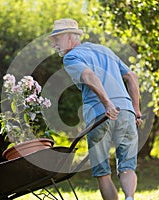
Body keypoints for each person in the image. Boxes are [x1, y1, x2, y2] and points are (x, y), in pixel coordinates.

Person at [48, 18, 143, 200]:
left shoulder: (71, 56)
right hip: (126, 112)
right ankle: (129, 197)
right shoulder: (104, 50)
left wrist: (107, 104)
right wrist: (135, 110)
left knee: (102, 172)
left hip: (100, 115)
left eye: (57, 39)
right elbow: (131, 76)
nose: (54, 45)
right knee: (127, 166)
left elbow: (89, 76)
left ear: (70, 37)